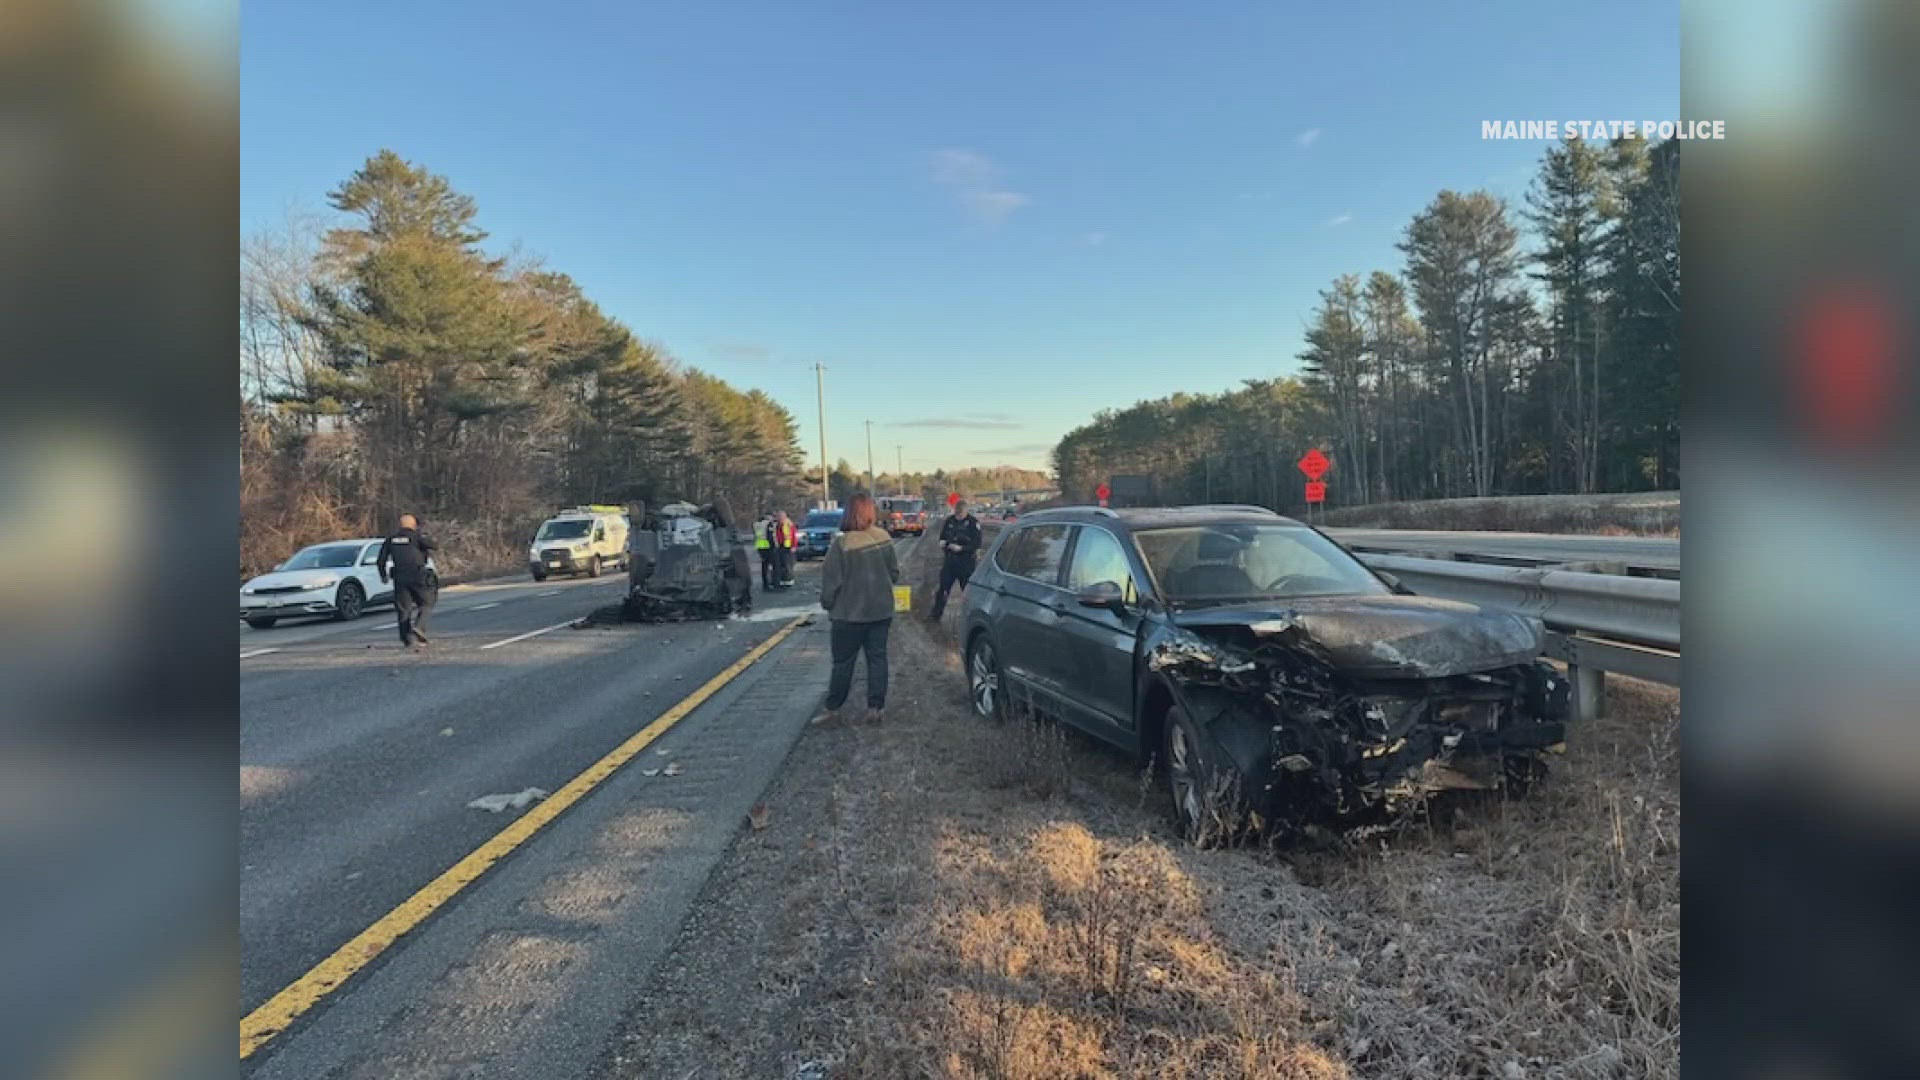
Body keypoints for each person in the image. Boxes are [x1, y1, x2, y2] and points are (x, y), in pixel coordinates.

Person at [815, 494, 899, 724]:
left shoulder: (842, 543)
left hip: (848, 615)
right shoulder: (884, 538)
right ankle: (875, 708)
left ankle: (833, 708)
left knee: (843, 663)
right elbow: (894, 573)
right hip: (880, 612)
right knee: (877, 660)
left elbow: (831, 582)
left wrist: (827, 603)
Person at [376, 513, 437, 648]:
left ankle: (407, 639)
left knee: (403, 609)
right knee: (427, 603)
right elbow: (433, 545)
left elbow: (381, 560)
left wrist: (383, 575)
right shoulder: (416, 537)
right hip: (417, 575)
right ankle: (419, 627)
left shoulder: (391, 539)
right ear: (414, 525)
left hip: (399, 577)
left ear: (400, 525)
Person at [928, 499, 983, 620]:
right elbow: (943, 536)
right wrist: (943, 543)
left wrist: (962, 548)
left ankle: (972, 617)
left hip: (966, 562)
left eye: (961, 514)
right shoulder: (950, 521)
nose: (958, 517)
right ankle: (936, 614)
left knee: (968, 592)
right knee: (943, 589)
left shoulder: (973, 523)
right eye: (957, 514)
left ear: (966, 512)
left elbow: (977, 544)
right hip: (950, 561)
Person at [770, 509, 798, 588]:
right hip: (779, 547)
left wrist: (794, 546)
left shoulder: (789, 525)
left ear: (785, 517)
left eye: (781, 517)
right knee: (780, 564)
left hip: (788, 547)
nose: (780, 519)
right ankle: (782, 580)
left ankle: (789, 580)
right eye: (779, 517)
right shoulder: (775, 525)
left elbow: (793, 537)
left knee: (787, 565)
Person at [754, 514, 774, 590]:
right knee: (770, 565)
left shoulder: (756, 524)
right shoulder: (768, 524)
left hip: (760, 546)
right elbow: (770, 536)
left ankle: (765, 583)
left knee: (764, 566)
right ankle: (770, 582)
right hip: (767, 546)